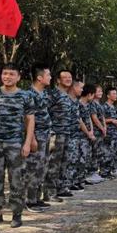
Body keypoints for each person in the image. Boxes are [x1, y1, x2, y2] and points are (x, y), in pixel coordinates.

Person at [0, 63, 35, 228]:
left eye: (11, 74)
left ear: (18, 77)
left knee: (17, 179)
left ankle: (17, 214)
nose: (7, 77)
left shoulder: (25, 96)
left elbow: (30, 120)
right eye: (5, 74)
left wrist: (27, 142)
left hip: (15, 143)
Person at [25, 64, 52, 213]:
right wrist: (32, 138)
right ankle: (29, 200)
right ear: (39, 78)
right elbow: (27, 118)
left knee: (42, 167)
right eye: (48, 75)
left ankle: (37, 197)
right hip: (36, 136)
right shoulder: (30, 94)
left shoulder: (44, 93)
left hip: (46, 134)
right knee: (33, 167)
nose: (50, 77)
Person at [45, 69, 75, 201]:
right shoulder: (53, 94)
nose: (68, 79)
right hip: (56, 134)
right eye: (65, 77)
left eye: (70, 77)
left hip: (67, 133)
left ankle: (61, 188)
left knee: (64, 162)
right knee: (53, 163)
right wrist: (51, 132)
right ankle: (50, 192)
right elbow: (45, 112)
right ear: (58, 80)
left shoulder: (67, 96)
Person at [62, 81, 87, 192]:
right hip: (67, 134)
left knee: (74, 159)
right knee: (67, 161)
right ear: (74, 87)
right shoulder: (65, 99)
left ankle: (70, 182)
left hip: (75, 135)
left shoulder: (76, 101)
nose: (82, 90)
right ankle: (64, 185)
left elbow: (78, 119)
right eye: (81, 88)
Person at [75, 84, 97, 187]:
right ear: (89, 95)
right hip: (80, 135)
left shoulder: (88, 105)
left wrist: (91, 131)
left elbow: (89, 119)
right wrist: (88, 133)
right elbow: (80, 121)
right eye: (93, 95)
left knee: (86, 157)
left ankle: (82, 178)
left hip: (87, 135)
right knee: (80, 158)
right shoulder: (78, 104)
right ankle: (76, 180)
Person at [88, 85, 108, 182]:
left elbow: (102, 117)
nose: (100, 93)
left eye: (101, 91)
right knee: (94, 152)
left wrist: (104, 127)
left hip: (100, 131)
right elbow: (94, 118)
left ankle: (96, 172)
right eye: (98, 91)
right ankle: (92, 173)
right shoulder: (92, 104)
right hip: (96, 131)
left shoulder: (99, 104)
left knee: (99, 152)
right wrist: (102, 128)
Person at [103, 87, 117, 176]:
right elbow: (100, 119)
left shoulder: (113, 107)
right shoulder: (104, 106)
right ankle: (105, 171)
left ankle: (113, 169)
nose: (115, 95)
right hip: (108, 133)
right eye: (113, 94)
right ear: (108, 95)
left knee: (115, 151)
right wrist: (111, 120)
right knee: (107, 152)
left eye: (116, 93)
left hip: (115, 133)